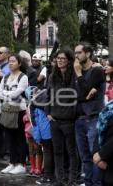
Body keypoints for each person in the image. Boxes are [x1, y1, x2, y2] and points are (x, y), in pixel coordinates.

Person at [45, 48, 79, 186]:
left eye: (63, 58)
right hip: (55, 119)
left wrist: (74, 114)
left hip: (69, 120)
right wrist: (48, 113)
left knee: (71, 152)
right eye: (58, 58)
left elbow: (77, 96)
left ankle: (72, 179)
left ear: (69, 60)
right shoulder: (53, 76)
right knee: (57, 151)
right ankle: (60, 179)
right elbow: (48, 96)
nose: (59, 60)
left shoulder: (74, 76)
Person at [74, 42, 105, 186]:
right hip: (79, 118)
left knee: (95, 155)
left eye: (79, 53)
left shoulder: (97, 71)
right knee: (84, 156)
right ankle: (87, 182)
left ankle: (96, 183)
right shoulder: (76, 72)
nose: (76, 56)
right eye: (75, 53)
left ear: (88, 53)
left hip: (93, 118)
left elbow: (85, 91)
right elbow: (78, 95)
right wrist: (84, 93)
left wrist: (79, 74)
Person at [0, 54, 28, 175]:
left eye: (13, 61)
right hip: (7, 109)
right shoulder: (6, 76)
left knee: (19, 137)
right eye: (9, 61)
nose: (10, 63)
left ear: (19, 63)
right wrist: (8, 93)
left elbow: (18, 93)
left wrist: (5, 94)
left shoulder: (23, 77)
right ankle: (12, 162)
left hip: (19, 110)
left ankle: (21, 164)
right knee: (9, 137)